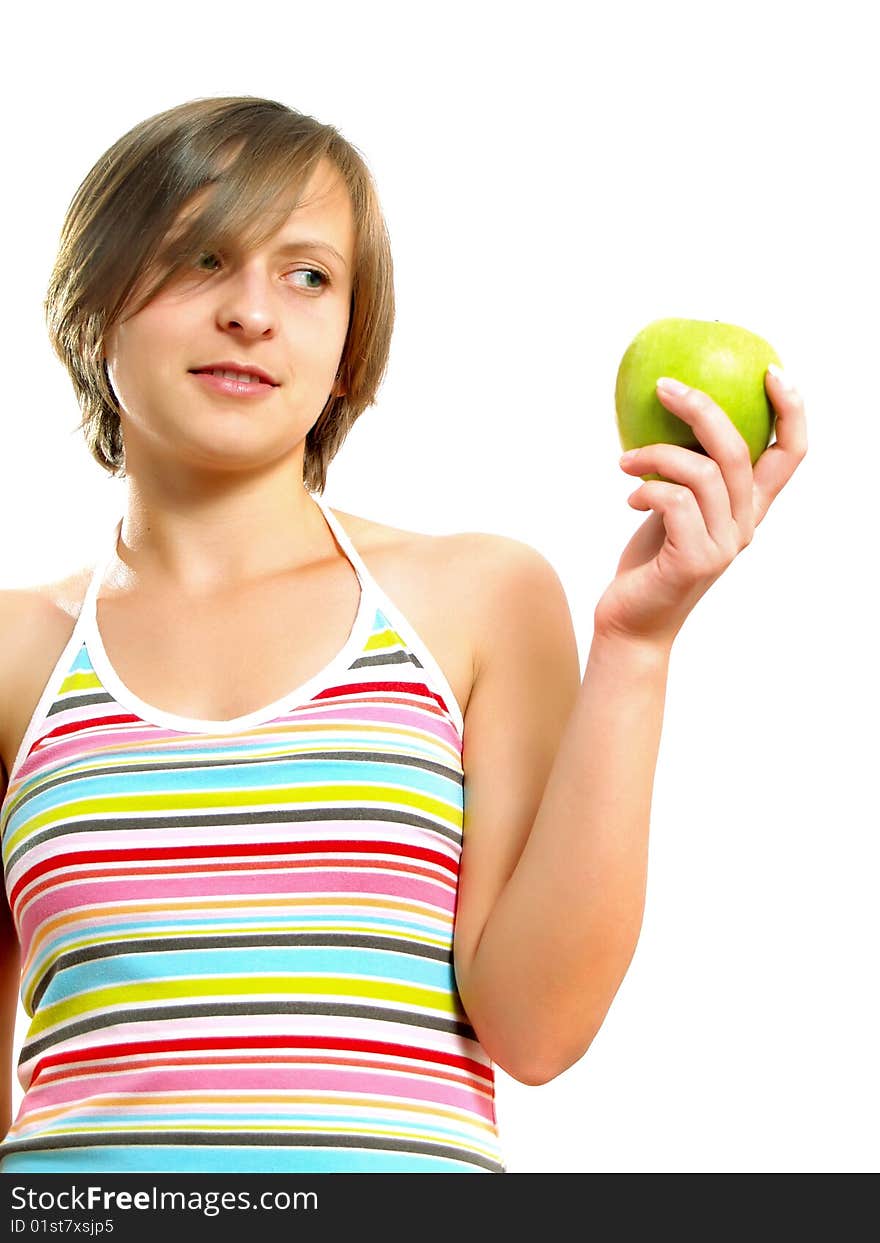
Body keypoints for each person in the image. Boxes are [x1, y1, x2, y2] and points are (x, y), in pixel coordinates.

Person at [0, 95, 807, 1175]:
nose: (253, 311)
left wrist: (638, 644)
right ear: (91, 308)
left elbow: (536, 1028)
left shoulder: (476, 599)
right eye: (200, 256)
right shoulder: (13, 654)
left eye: (308, 274)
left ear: (347, 348)